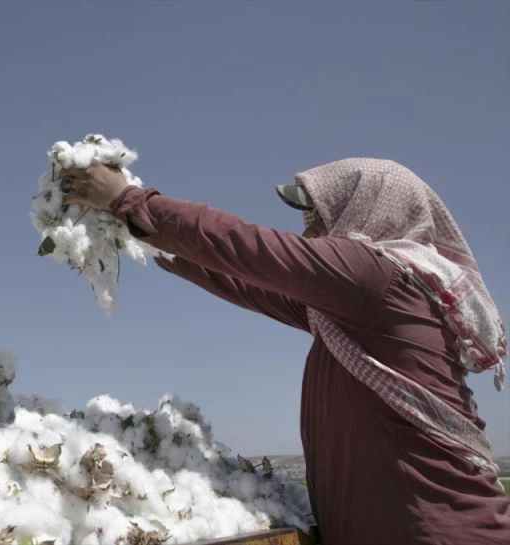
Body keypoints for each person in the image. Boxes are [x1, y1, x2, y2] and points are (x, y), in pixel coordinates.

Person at [59, 158, 509, 545]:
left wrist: (133, 201)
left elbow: (251, 249)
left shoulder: (378, 279)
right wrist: (146, 237)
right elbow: (253, 284)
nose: (308, 227)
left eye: (318, 214)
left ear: (366, 208)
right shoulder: (353, 306)